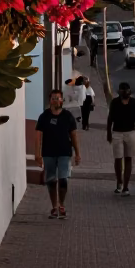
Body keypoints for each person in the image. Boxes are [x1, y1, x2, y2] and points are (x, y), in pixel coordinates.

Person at [35, 88, 81, 219]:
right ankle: (54, 206)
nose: (56, 100)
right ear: (50, 100)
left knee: (63, 180)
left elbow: (74, 135)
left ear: (62, 100)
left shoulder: (68, 116)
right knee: (51, 180)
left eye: (58, 98)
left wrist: (77, 153)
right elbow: (38, 136)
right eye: (53, 98)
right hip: (48, 153)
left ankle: (62, 204)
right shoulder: (44, 117)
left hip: (64, 152)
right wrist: (37, 154)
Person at [107, 81, 135, 196]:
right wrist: (109, 133)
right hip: (117, 133)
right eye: (123, 90)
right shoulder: (115, 102)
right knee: (118, 158)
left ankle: (126, 186)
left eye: (127, 90)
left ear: (130, 92)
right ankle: (119, 181)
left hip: (130, 133)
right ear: (119, 92)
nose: (125, 92)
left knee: (128, 159)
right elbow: (110, 118)